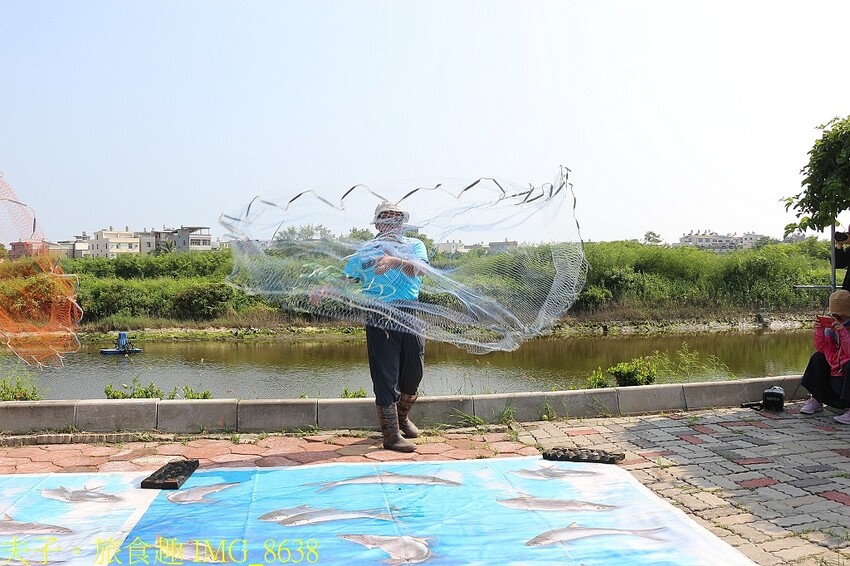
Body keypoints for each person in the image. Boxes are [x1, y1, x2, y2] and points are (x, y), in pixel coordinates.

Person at [328, 201, 429, 452]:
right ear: (378, 224)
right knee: (385, 375)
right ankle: (391, 435)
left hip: (410, 312)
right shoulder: (366, 251)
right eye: (386, 218)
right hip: (379, 314)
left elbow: (421, 270)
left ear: (402, 223)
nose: (391, 223)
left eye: (396, 218)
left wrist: (395, 261)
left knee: (414, 372)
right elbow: (348, 277)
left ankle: (402, 418)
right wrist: (326, 288)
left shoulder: (414, 245)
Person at [799, 289, 850, 424]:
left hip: (846, 374)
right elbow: (821, 349)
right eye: (834, 316)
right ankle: (818, 398)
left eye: (841, 317)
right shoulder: (831, 329)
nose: (836, 319)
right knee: (818, 358)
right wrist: (820, 331)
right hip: (836, 373)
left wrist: (843, 333)